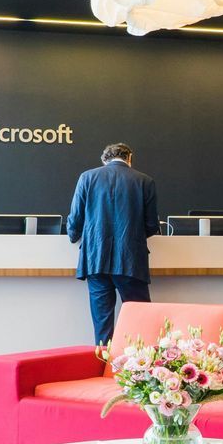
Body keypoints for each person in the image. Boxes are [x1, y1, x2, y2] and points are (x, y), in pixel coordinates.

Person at [66, 142, 160, 345]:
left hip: (95, 259)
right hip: (131, 260)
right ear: (130, 157)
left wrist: (73, 237)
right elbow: (152, 225)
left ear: (104, 159)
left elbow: (74, 220)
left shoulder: (87, 177)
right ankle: (138, 370)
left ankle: (104, 369)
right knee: (139, 318)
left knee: (102, 324)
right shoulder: (145, 181)